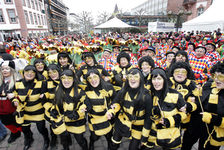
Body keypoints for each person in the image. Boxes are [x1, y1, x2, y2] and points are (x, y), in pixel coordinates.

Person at [108, 68, 153, 150]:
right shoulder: (123, 91)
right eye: (130, 77)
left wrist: (145, 137)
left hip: (138, 126)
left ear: (141, 79)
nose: (132, 79)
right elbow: (115, 103)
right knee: (114, 144)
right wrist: (111, 111)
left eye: (136, 77)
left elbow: (148, 118)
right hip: (123, 121)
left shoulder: (146, 96)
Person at [143, 68, 187, 150]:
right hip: (151, 133)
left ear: (164, 79)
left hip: (168, 135)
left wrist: (169, 121)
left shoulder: (175, 94)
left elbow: (184, 114)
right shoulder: (148, 94)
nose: (156, 82)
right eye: (154, 79)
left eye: (159, 78)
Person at [13, 65, 49, 150]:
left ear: (35, 74)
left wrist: (44, 95)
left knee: (41, 129)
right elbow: (14, 94)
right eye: (27, 72)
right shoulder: (18, 83)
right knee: (25, 129)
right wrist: (15, 101)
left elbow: (47, 93)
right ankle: (28, 139)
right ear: (23, 73)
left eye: (32, 72)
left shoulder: (40, 83)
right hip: (24, 111)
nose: (30, 74)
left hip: (38, 111)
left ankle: (46, 140)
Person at [49, 69, 87, 150]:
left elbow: (84, 105)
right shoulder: (57, 90)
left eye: (69, 78)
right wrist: (53, 113)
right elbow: (55, 104)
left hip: (76, 122)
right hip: (63, 122)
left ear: (73, 79)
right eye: (63, 78)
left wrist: (78, 113)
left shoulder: (80, 91)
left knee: (80, 140)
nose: (66, 81)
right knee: (64, 141)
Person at [168, 62, 201, 150]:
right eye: (177, 71)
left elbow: (197, 103)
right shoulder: (167, 82)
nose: (180, 74)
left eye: (183, 72)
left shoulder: (192, 85)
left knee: (186, 140)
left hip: (187, 117)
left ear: (187, 75)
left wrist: (189, 106)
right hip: (170, 115)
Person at [80, 69, 115, 150]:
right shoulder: (86, 90)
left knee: (109, 137)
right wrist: (83, 107)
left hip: (107, 118)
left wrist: (112, 109)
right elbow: (84, 103)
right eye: (90, 78)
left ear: (99, 77)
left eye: (95, 77)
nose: (93, 80)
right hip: (94, 119)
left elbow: (115, 101)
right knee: (94, 137)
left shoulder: (108, 87)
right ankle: (91, 144)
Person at [199, 61, 224, 150]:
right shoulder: (209, 86)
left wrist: (212, 119)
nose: (216, 79)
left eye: (220, 77)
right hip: (204, 130)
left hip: (218, 134)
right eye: (215, 76)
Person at [0, 60, 22, 144]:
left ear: (12, 70)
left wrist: (15, 96)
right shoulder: (0, 81)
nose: (4, 71)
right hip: (2, 108)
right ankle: (15, 133)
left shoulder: (18, 81)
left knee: (18, 123)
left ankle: (26, 134)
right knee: (6, 122)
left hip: (13, 108)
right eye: (2, 69)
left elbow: (23, 95)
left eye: (7, 69)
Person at [42, 64, 60, 148]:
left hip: (63, 108)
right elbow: (43, 100)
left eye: (54, 72)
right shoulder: (46, 83)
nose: (52, 74)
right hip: (51, 108)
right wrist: (50, 108)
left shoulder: (65, 80)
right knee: (52, 124)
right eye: (50, 73)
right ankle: (53, 138)